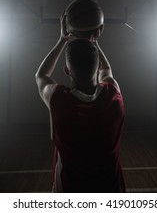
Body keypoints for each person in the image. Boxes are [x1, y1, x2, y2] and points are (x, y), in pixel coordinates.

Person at [35, 11, 125, 193]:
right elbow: (107, 69)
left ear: (66, 70)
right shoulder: (113, 96)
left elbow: (41, 75)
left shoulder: (58, 99)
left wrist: (62, 39)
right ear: (98, 66)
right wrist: (94, 41)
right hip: (111, 190)